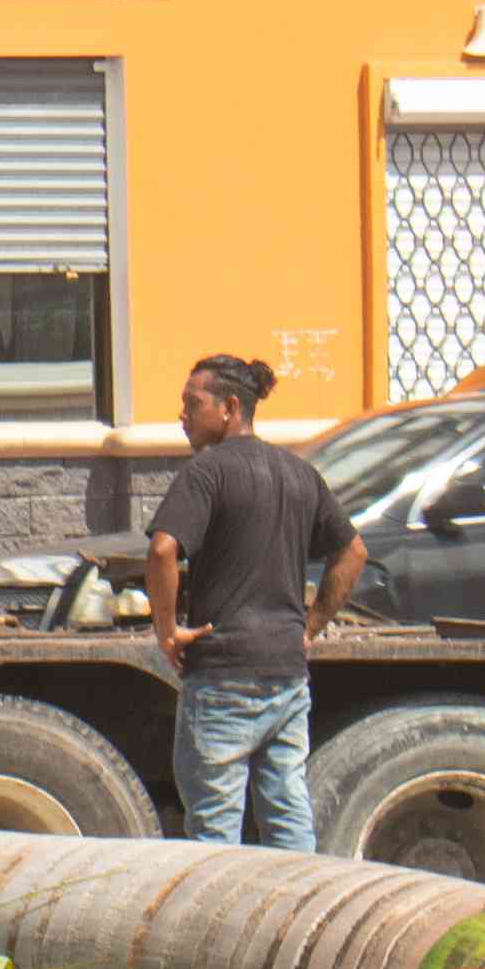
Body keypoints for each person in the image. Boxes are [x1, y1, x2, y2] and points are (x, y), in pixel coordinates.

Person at [145, 349, 363, 850]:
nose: (182, 415)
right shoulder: (298, 473)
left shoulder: (206, 473)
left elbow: (161, 550)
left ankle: (218, 907)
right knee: (288, 817)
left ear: (229, 409)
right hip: (287, 674)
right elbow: (353, 551)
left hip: (223, 677)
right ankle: (301, 900)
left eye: (192, 403)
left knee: (215, 831)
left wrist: (166, 631)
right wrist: (309, 627)